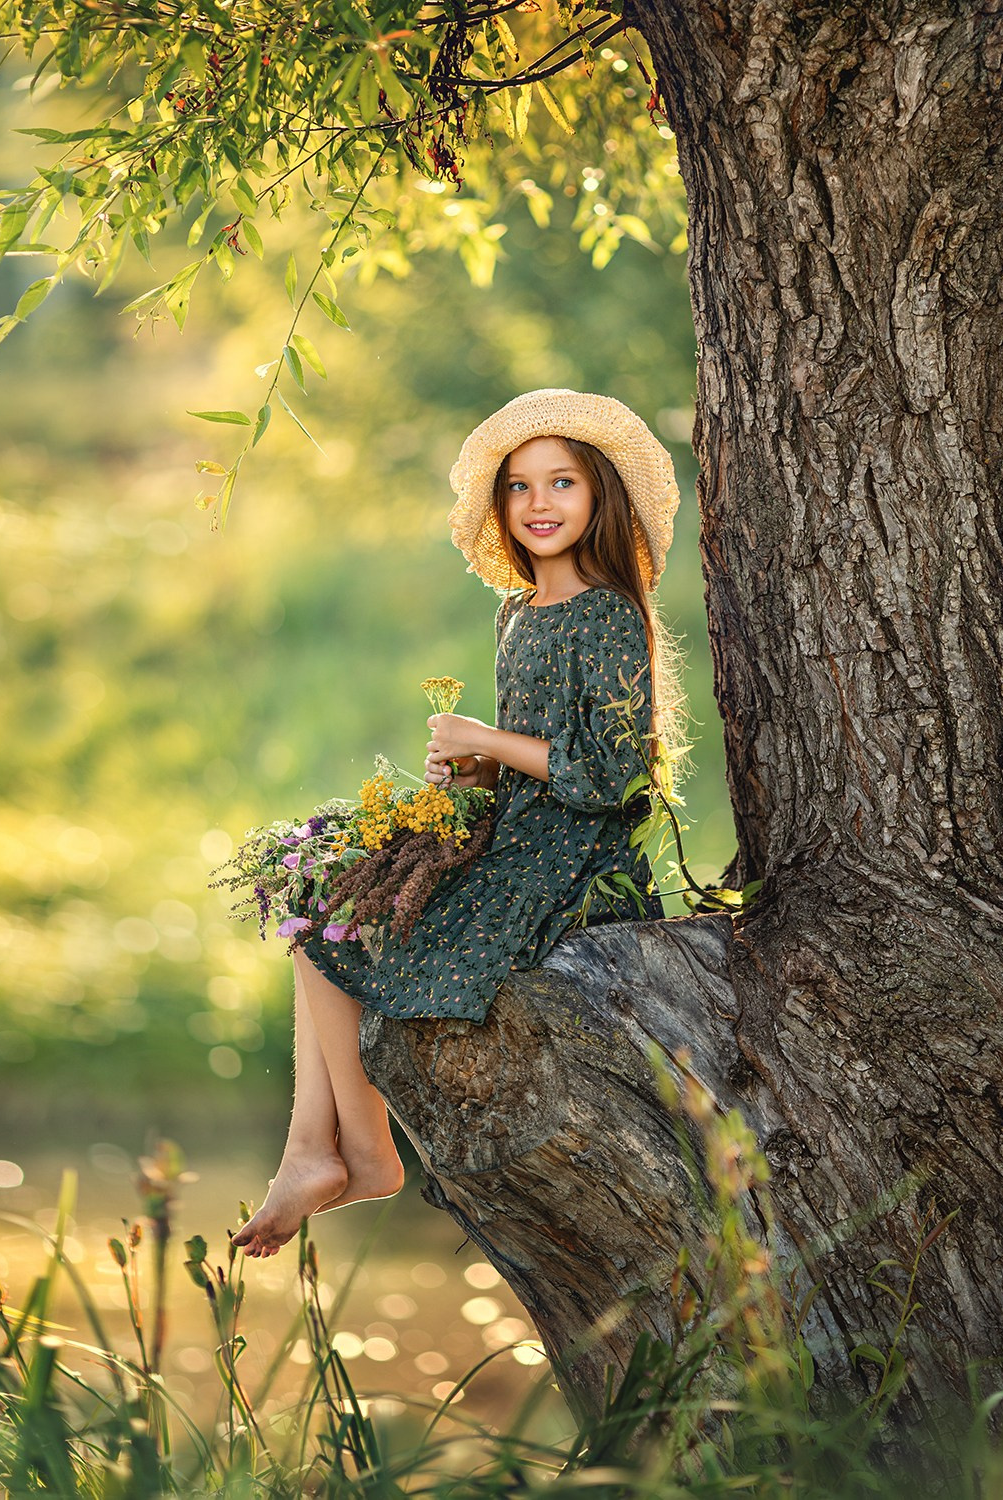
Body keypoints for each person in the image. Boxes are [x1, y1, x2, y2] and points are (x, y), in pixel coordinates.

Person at [233, 388, 686, 1257]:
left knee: (345, 929)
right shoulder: (518, 613)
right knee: (316, 899)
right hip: (515, 828)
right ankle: (325, 1154)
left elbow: (614, 774)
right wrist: (475, 766)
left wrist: (489, 738)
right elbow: (535, 750)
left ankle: (344, 1156)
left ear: (600, 498)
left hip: (571, 861)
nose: (540, 504)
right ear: (499, 505)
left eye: (562, 483)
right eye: (519, 487)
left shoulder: (607, 615)